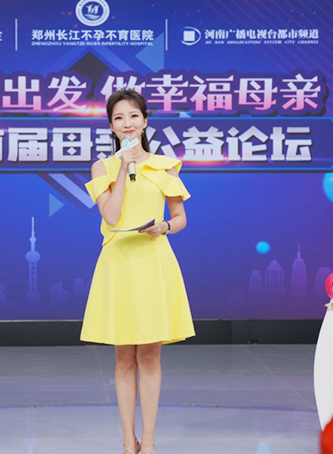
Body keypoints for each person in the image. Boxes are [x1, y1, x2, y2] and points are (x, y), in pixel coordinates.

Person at [81, 89, 195, 454]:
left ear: (145, 121)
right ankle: (127, 440)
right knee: (123, 356)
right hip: (118, 263)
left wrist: (165, 226)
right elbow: (111, 216)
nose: (127, 123)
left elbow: (180, 217)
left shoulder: (165, 165)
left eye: (133, 116)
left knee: (149, 355)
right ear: (112, 127)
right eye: (118, 118)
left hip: (153, 260)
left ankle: (148, 441)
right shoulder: (102, 167)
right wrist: (123, 167)